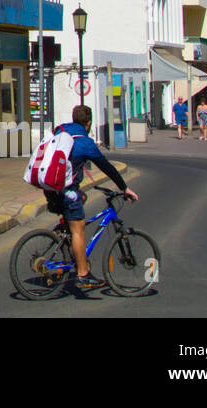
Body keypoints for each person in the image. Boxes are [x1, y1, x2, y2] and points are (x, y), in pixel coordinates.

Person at [44, 105, 138, 289]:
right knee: (79, 229)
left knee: (83, 198)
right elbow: (107, 167)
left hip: (51, 188)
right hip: (66, 191)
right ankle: (82, 274)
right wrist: (124, 188)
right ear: (88, 123)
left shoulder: (61, 131)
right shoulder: (84, 142)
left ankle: (64, 233)